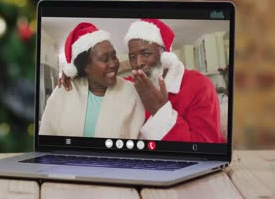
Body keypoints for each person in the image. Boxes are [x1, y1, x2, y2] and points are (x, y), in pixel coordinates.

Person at [59, 19, 224, 143]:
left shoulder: (200, 86)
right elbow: (100, 81)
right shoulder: (130, 84)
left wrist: (160, 112)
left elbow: (205, 148)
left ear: (164, 53)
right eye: (132, 57)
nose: (137, 63)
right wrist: (76, 76)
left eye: (146, 53)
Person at [39, 22, 145, 138]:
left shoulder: (130, 91)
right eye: (105, 59)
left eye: (114, 56)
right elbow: (46, 134)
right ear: (86, 66)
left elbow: (141, 137)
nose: (113, 63)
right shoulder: (65, 90)